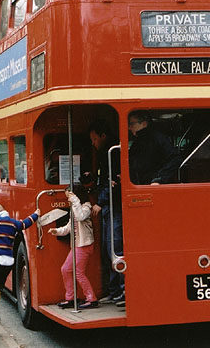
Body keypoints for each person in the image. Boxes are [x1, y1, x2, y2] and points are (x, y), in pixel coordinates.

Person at [89, 119, 125, 305]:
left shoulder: (113, 154)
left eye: (95, 139)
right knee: (109, 248)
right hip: (109, 205)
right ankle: (114, 289)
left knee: (115, 248)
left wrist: (101, 201)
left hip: (113, 206)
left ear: (103, 136)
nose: (93, 143)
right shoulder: (106, 154)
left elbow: (114, 183)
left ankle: (122, 289)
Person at [49, 189, 98, 309]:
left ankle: (91, 299)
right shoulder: (75, 208)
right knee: (65, 269)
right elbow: (68, 227)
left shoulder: (86, 207)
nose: (68, 200)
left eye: (69, 197)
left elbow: (81, 217)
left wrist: (74, 200)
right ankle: (70, 297)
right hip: (77, 245)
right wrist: (57, 231)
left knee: (79, 273)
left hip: (84, 245)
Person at [128, 111, 180, 185]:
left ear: (144, 124)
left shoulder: (157, 139)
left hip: (151, 184)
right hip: (142, 184)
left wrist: (159, 179)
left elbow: (174, 159)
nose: (129, 127)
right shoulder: (138, 141)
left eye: (132, 124)